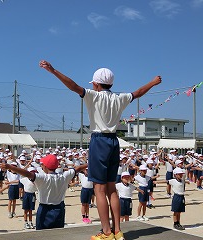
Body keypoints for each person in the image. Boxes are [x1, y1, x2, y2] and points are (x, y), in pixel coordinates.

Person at [39, 60, 162, 240]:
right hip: (114, 141)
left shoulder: (93, 95)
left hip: (99, 140)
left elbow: (73, 86)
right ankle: (117, 230)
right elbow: (138, 93)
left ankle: (106, 232)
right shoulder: (120, 98)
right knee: (112, 187)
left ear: (96, 84)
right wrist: (152, 82)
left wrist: (53, 70)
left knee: (99, 189)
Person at [0, 154, 87, 230]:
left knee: (42, 235)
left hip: (44, 209)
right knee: (58, 235)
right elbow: (78, 168)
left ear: (44, 167)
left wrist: (10, 167)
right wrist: (91, 163)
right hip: (59, 209)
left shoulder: (42, 178)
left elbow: (27, 174)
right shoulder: (64, 176)